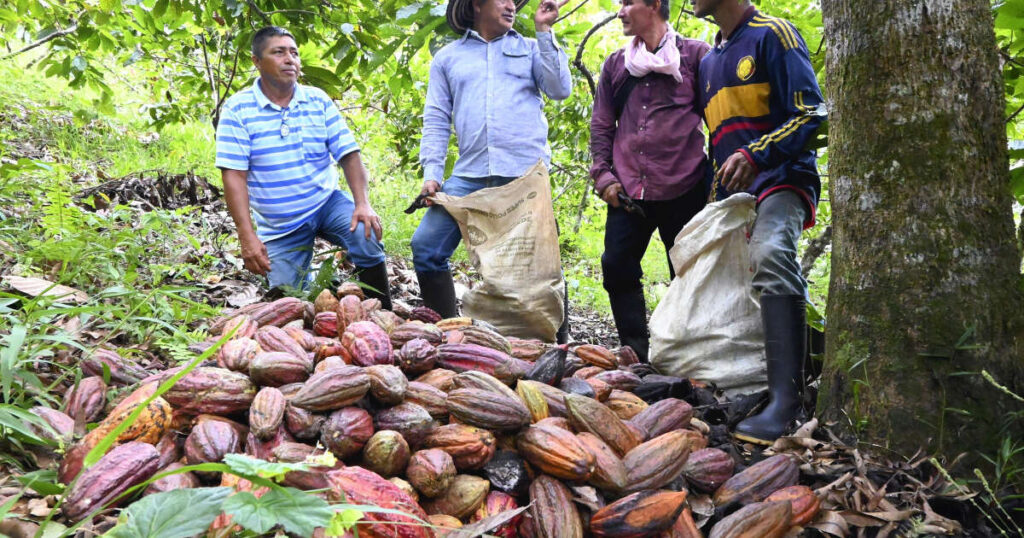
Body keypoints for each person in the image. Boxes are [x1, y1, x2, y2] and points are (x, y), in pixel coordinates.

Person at [694, 0, 826, 444]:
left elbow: (811, 113)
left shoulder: (774, 34)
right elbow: (718, 144)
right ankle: (804, 366)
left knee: (771, 252)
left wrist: (756, 154)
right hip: (736, 197)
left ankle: (786, 404)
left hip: (784, 179)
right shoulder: (709, 61)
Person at [412, 0, 572, 328]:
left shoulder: (529, 48)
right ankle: (448, 334)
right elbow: (437, 117)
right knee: (426, 247)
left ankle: (561, 345)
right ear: (476, 5)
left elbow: (559, 90)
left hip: (522, 178)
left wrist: (544, 30)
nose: (511, 5)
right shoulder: (448, 58)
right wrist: (432, 173)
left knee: (540, 266)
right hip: (469, 176)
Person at [215, 26, 392, 309]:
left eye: (294, 53)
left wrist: (363, 203)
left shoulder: (317, 100)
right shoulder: (238, 110)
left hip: (325, 202)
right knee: (290, 299)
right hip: (281, 224)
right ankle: (330, 289)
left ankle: (383, 312)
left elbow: (349, 154)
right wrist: (247, 236)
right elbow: (234, 176)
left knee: (365, 233)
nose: (290, 59)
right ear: (256, 62)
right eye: (279, 52)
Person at [590, 0, 710, 362]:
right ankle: (635, 353)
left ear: (655, 4)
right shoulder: (617, 64)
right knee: (616, 266)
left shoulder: (695, 57)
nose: (620, 11)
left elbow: (717, 118)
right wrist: (604, 175)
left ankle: (689, 356)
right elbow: (601, 125)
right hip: (629, 191)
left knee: (688, 276)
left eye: (627, 2)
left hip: (685, 186)